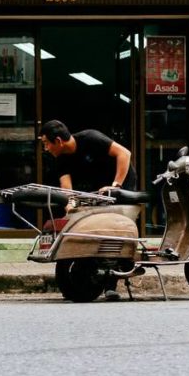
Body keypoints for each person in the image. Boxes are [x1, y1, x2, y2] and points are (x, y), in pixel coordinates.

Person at [39, 120, 137, 301]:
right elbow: (67, 189)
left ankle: (111, 285)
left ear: (58, 141)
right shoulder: (60, 159)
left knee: (113, 229)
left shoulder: (91, 138)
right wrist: (70, 204)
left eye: (46, 143)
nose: (45, 148)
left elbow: (124, 153)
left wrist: (116, 186)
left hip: (120, 181)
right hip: (98, 187)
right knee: (96, 228)